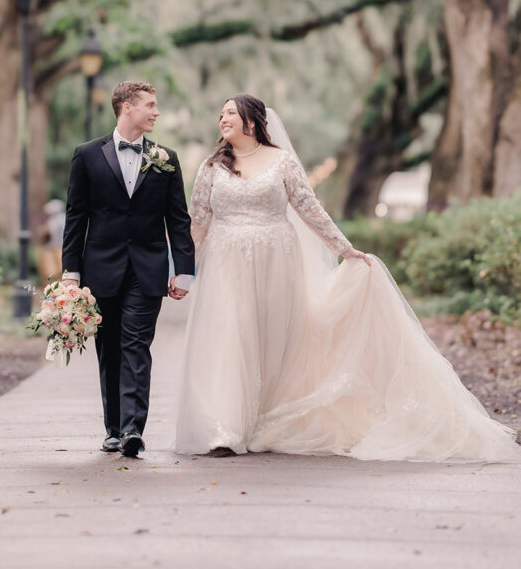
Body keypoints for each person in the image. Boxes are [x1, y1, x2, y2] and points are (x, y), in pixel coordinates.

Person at [175, 94, 519, 462]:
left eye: (231, 112)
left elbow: (310, 209)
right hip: (226, 262)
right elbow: (198, 221)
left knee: (272, 338)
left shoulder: (281, 162)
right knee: (232, 335)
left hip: (276, 261)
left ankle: (264, 419)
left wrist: (345, 249)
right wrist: (183, 271)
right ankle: (225, 429)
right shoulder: (212, 167)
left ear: (252, 121)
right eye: (221, 113)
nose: (223, 118)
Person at [62, 80, 195, 458]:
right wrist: (70, 273)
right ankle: (114, 429)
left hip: (148, 269)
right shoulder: (87, 156)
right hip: (100, 270)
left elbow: (178, 219)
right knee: (109, 349)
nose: (156, 112)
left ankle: (133, 429)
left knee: (136, 345)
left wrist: (184, 270)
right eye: (150, 105)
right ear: (127, 108)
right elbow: (76, 217)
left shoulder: (166, 158)